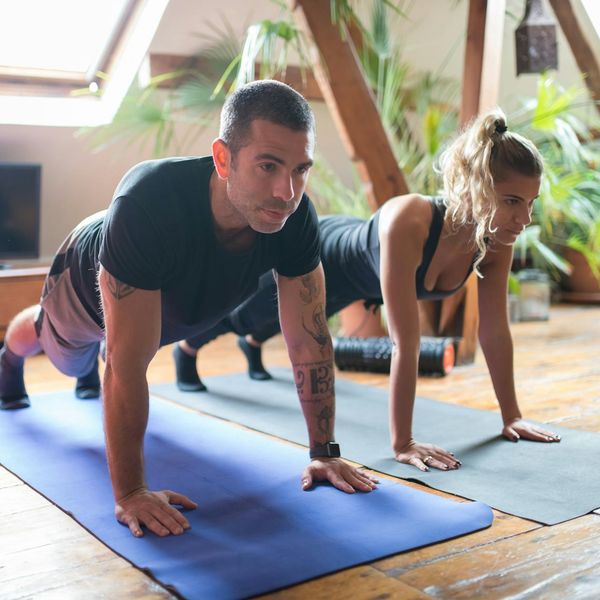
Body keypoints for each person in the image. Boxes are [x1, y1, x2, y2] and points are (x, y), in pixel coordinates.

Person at [0, 80, 377, 538]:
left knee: (123, 344)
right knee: (60, 351)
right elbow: (125, 364)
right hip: (85, 279)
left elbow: (309, 340)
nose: (287, 191)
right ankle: (8, 360)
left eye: (301, 169)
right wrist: (131, 491)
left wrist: (325, 450)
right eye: (268, 166)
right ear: (223, 159)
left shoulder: (294, 218)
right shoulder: (150, 201)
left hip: (167, 299)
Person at [172, 108, 561, 472]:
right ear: (476, 187)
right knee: (246, 314)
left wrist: (512, 417)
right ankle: (187, 349)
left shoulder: (495, 237)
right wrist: (403, 442)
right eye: (512, 201)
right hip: (328, 253)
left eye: (530, 203)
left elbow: (494, 331)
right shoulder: (409, 221)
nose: (524, 218)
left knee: (285, 322)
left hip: (359, 284)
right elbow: (404, 343)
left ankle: (253, 344)